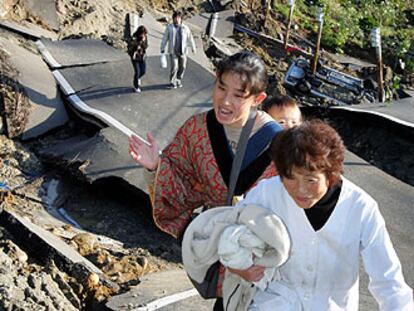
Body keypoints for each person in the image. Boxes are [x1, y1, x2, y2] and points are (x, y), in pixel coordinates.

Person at [228, 120, 413, 310]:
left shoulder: (360, 207)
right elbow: (228, 230)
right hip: (273, 303)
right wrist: (237, 264)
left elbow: (388, 279)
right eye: (290, 178)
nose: (301, 190)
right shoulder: (267, 192)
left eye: (311, 180)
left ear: (331, 174)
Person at [128, 51, 282, 239]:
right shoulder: (198, 129)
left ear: (257, 99)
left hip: (256, 247)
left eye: (238, 95)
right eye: (221, 88)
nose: (225, 101)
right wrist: (156, 166)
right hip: (211, 238)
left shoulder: (280, 147)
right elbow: (182, 185)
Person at [160, 10, 196, 89]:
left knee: (182, 67)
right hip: (173, 51)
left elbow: (190, 38)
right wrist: (162, 48)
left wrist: (193, 47)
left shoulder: (185, 28)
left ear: (181, 19)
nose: (176, 19)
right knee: (174, 67)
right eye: (175, 18)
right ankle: (172, 82)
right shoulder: (169, 27)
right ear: (173, 19)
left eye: (178, 18)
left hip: (183, 51)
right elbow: (165, 38)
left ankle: (178, 79)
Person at [127, 25, 148, 93]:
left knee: (143, 71)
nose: (143, 35)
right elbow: (130, 47)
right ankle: (136, 86)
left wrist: (143, 42)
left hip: (142, 57)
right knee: (137, 72)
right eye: (142, 34)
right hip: (135, 57)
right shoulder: (133, 38)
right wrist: (139, 43)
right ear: (139, 33)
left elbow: (146, 46)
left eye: (144, 34)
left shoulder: (145, 37)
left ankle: (138, 78)